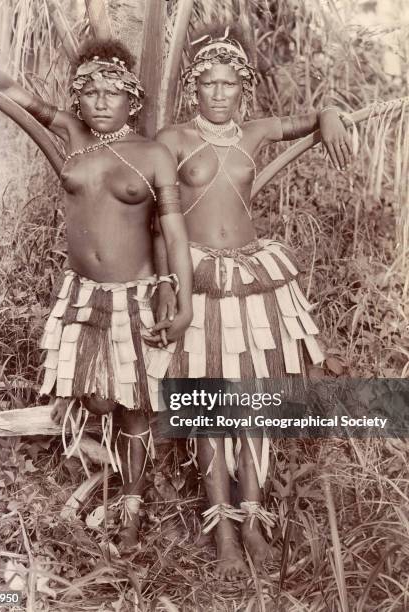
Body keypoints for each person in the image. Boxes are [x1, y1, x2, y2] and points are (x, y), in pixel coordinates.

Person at [0, 39, 193, 547]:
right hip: (83, 297)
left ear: (135, 99)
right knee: (101, 400)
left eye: (113, 92)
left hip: (136, 296)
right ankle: (106, 461)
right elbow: (11, 88)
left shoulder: (154, 154)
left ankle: (131, 506)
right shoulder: (72, 135)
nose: (101, 101)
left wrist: (181, 297)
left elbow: (173, 231)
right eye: (91, 92)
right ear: (78, 99)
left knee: (133, 407)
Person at [147, 26, 352, 579]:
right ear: (193, 88)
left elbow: (308, 120)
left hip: (251, 279)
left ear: (244, 89)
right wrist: (169, 283)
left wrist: (329, 112)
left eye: (229, 84)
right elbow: (156, 219)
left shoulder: (256, 132)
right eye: (208, 83)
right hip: (198, 278)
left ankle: (254, 520)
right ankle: (223, 530)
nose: (218, 93)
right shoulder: (171, 140)